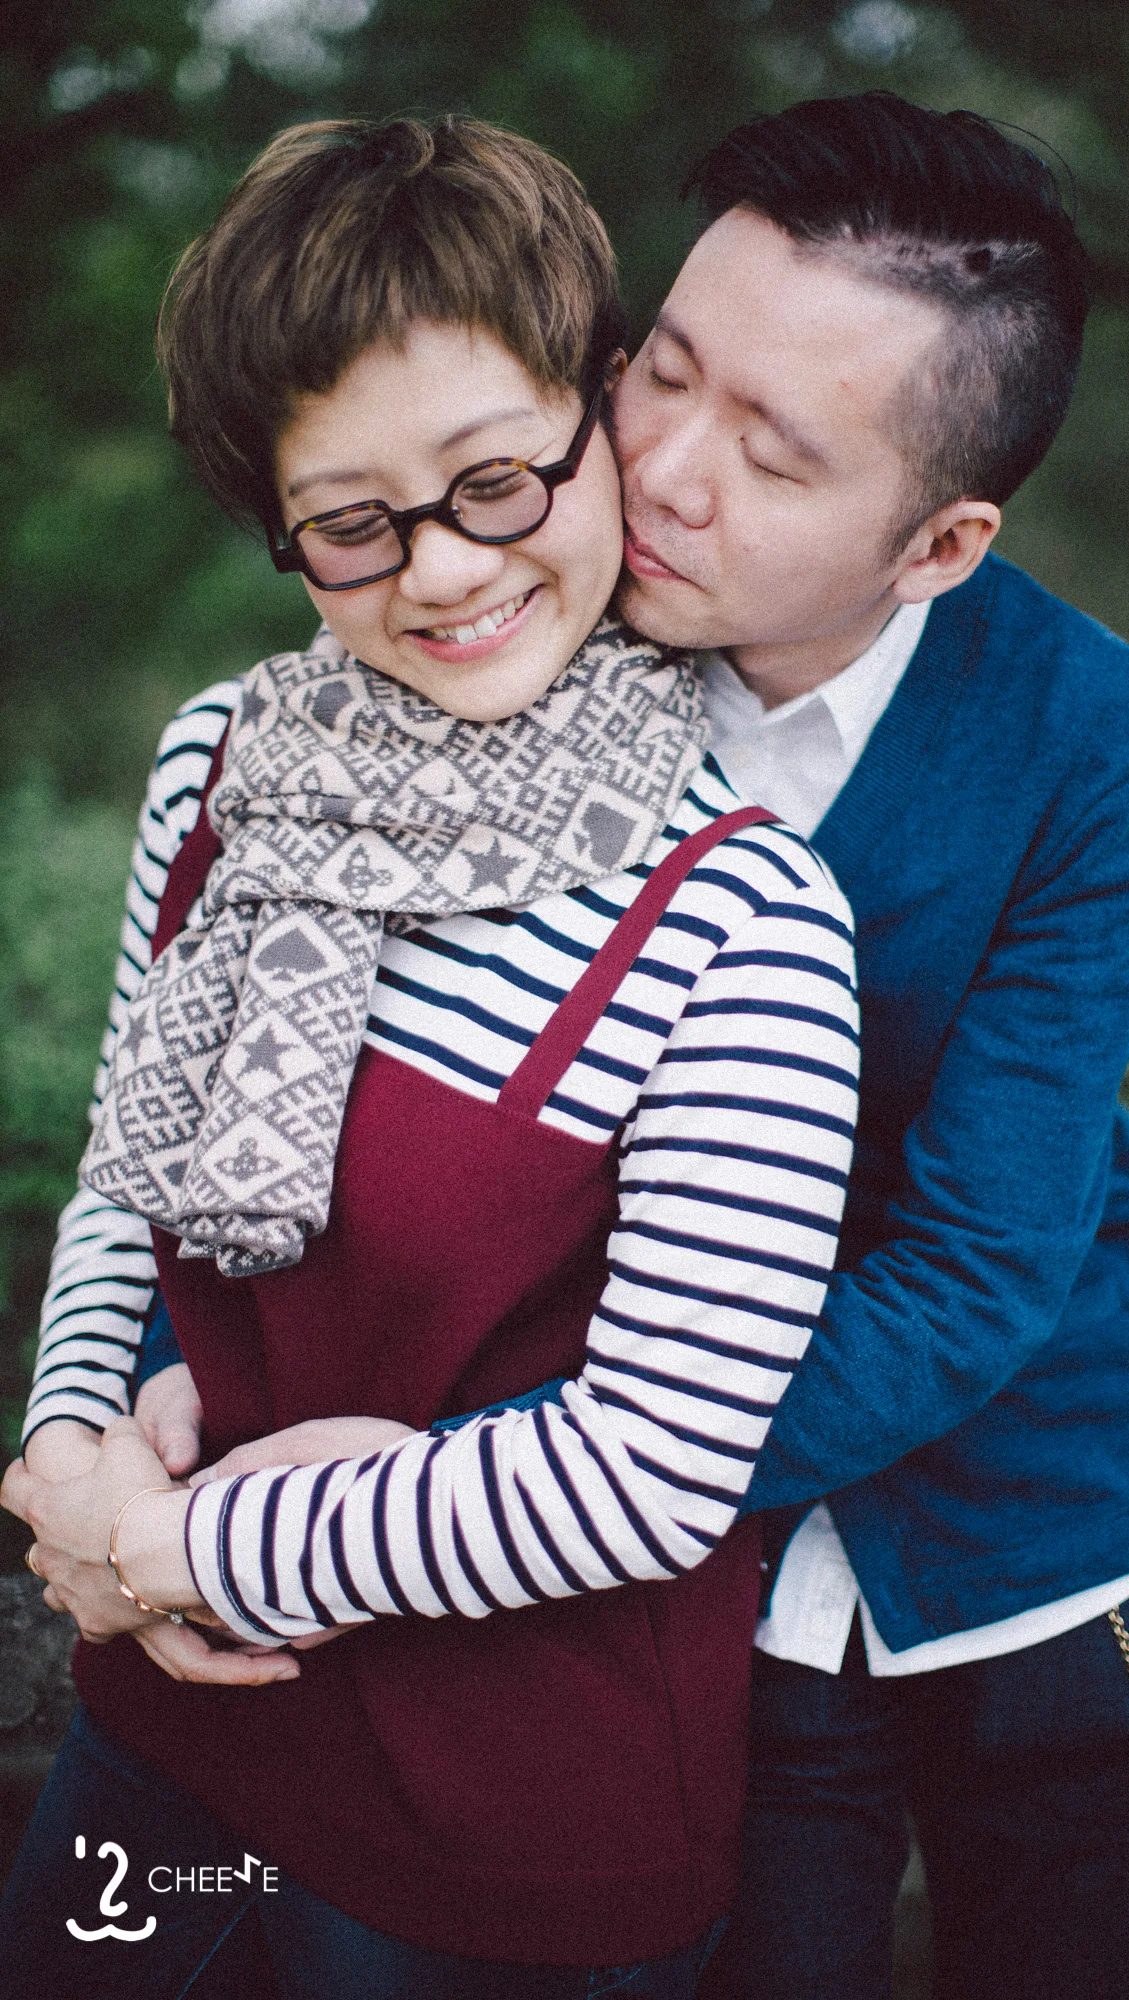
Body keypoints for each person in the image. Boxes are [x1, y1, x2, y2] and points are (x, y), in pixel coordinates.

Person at [0, 115, 859, 1998]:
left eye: (495, 481)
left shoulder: (743, 915)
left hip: (508, 1826)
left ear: (597, 410)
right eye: (352, 522)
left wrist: (190, 1548)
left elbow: (651, 1469)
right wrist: (68, 1460)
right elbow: (126, 1180)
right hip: (168, 1729)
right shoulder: (223, 761)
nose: (443, 570)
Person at [603, 94, 1129, 2000]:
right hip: (706, 1570)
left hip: (1042, 1527)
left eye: (771, 452)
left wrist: (559, 1467)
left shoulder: (1093, 737)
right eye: (658, 371)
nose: (661, 472)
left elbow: (976, 1267)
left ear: (938, 541)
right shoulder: (525, 650)